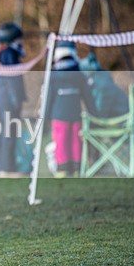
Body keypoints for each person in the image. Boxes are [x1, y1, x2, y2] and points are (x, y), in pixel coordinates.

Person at [44, 43, 98, 177]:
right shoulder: (79, 75)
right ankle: (76, 167)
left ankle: (63, 168)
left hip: (59, 115)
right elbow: (88, 97)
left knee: (61, 142)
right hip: (76, 114)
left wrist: (44, 117)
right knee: (75, 141)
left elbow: (48, 98)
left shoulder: (53, 75)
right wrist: (94, 114)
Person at [0, 22, 26, 178]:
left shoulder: (7, 52)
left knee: (6, 133)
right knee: (9, 133)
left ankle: (4, 166)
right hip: (8, 100)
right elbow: (12, 79)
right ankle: (7, 168)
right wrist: (16, 99)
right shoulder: (9, 53)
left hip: (3, 99)